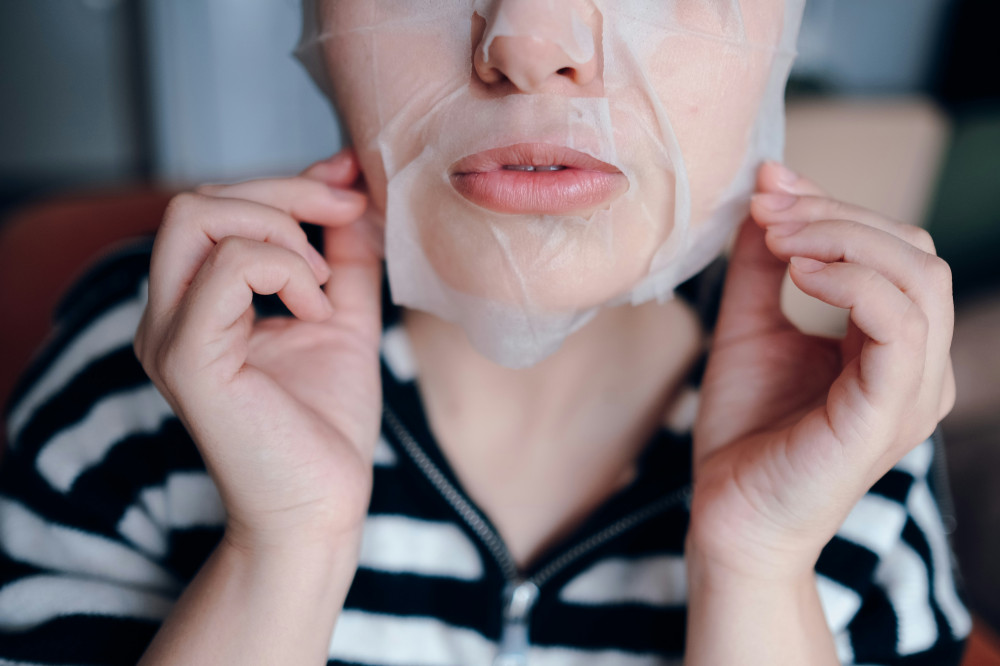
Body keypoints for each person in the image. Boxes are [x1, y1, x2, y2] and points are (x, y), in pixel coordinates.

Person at [0, 1, 971, 664]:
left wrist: (760, 571)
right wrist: (279, 552)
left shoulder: (849, 441)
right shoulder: (151, 366)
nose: (527, 40)